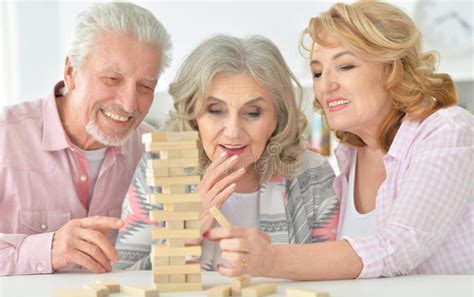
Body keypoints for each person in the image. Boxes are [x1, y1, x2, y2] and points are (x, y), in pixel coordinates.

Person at [207, 1, 473, 279]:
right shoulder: (351, 153)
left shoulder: (447, 131)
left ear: (394, 69)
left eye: (345, 66)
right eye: (318, 72)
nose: (325, 85)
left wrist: (271, 258)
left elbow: (397, 247)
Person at [114, 34, 339, 274]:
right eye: (215, 110)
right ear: (193, 115)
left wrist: (274, 260)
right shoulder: (160, 169)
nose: (233, 132)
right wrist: (184, 232)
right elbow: (126, 277)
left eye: (253, 113)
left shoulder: (311, 174)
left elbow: (334, 272)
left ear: (278, 117)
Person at [0, 2, 172, 276]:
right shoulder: (5, 138)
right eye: (112, 78)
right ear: (71, 72)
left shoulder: (156, 154)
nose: (129, 105)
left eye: (145, 86)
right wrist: (47, 249)